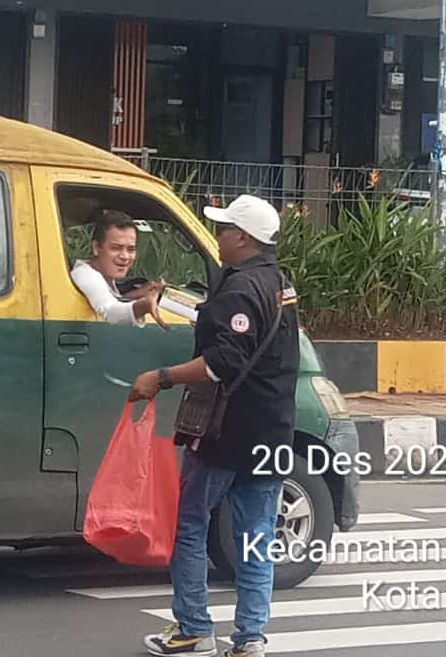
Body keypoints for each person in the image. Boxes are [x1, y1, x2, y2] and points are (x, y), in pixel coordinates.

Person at [128, 194, 300, 657]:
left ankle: (193, 628)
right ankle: (249, 640)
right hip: (274, 430)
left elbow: (224, 361)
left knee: (191, 523)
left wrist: (160, 378)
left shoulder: (241, 288)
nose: (219, 235)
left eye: (224, 229)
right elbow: (234, 328)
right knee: (256, 537)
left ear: (242, 237)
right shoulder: (278, 282)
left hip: (228, 432)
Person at [70, 209, 167, 328]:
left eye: (131, 249)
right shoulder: (85, 274)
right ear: (96, 248)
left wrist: (137, 294)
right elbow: (110, 311)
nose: (125, 256)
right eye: (116, 248)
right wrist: (142, 306)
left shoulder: (105, 275)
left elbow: (107, 297)